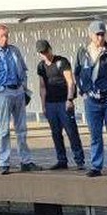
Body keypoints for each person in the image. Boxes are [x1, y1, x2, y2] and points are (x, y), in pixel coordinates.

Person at [0, 23, 36, 175]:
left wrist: (23, 87)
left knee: (21, 129)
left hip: (18, 91)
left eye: (6, 36)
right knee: (3, 130)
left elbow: (23, 70)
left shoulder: (14, 50)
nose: (5, 39)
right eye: (1, 36)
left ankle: (25, 161)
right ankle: (4, 162)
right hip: (3, 91)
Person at [74, 20, 107, 177]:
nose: (100, 37)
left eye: (102, 34)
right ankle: (96, 166)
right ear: (90, 35)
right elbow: (77, 72)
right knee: (95, 135)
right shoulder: (82, 52)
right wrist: (83, 91)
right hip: (91, 99)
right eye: (97, 34)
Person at [35, 39, 84, 171]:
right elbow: (42, 87)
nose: (45, 55)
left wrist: (70, 99)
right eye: (42, 53)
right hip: (50, 103)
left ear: (50, 49)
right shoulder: (41, 66)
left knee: (71, 132)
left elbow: (70, 82)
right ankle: (61, 160)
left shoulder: (62, 62)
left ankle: (79, 160)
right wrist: (43, 105)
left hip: (63, 102)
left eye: (46, 51)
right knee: (56, 133)